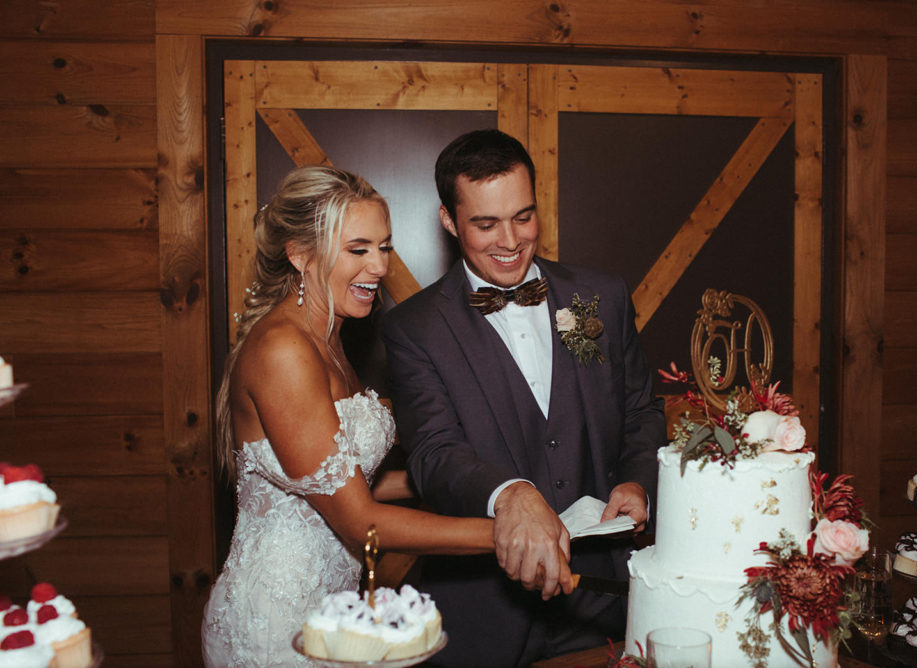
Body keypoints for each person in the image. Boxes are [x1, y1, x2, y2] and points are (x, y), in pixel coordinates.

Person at [201, 166, 506, 667]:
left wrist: (478, 481)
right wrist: (503, 534)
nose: (380, 266)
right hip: (277, 620)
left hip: (333, 614)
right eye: (358, 249)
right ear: (301, 255)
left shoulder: (328, 338)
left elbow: (341, 485)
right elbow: (359, 520)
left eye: (384, 247)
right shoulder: (284, 351)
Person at [381, 129, 665, 666]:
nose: (510, 241)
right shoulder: (414, 329)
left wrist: (637, 480)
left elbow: (643, 411)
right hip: (482, 615)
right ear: (449, 220)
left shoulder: (601, 297)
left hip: (603, 602)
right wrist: (510, 495)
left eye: (523, 216)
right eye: (485, 224)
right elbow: (434, 452)